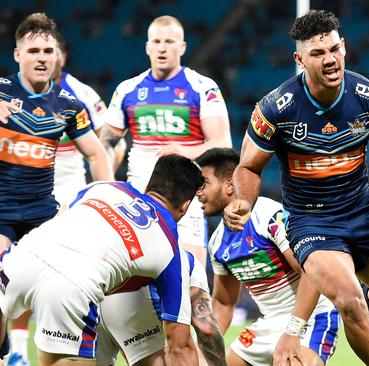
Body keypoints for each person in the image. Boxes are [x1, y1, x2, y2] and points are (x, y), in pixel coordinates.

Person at [222, 10, 369, 365]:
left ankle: (367, 291)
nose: (329, 59)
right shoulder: (275, 109)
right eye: (317, 53)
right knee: (349, 303)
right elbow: (249, 167)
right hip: (312, 223)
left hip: (362, 213)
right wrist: (243, 202)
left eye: (333, 49)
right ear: (299, 59)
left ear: (343, 47)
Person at [0, 154, 204, 366]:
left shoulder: (104, 187)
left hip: (21, 256)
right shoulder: (171, 248)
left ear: (148, 186)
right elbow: (179, 346)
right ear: (185, 206)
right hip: (70, 288)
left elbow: (63, 217)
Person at [0, 13, 113, 365]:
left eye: (48, 50)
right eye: (33, 50)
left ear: (58, 55)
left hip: (43, 213)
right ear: (17, 55)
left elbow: (96, 154)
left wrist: (106, 202)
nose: (41, 57)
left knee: (74, 285)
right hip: (1, 211)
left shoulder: (68, 106)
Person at [102, 15, 232, 268]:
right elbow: (105, 142)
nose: (162, 47)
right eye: (157, 41)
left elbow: (222, 142)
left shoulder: (202, 87)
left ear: (182, 47)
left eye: (170, 41)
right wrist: (108, 178)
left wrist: (185, 150)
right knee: (132, 274)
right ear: (148, 47)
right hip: (138, 197)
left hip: (187, 196)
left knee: (192, 275)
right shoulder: (128, 89)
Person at [196, 148, 339, 366]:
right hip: (267, 324)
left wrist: (292, 331)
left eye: (204, 183)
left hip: (309, 317)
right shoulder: (217, 243)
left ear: (229, 185)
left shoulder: (268, 215)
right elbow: (224, 303)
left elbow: (311, 272)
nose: (198, 192)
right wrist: (204, 351)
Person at [96, 249, 226, 366]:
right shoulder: (180, 259)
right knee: (180, 350)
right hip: (135, 289)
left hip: (90, 285)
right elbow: (207, 330)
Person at [52, 33, 114, 207]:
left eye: (51, 52)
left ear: (62, 58)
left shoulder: (81, 95)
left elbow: (112, 141)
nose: (44, 58)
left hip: (67, 194)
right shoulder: (11, 95)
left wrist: (103, 189)